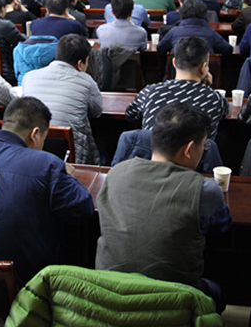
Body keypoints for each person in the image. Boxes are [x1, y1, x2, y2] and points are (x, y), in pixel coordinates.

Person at [96, 101, 232, 312]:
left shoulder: (115, 173)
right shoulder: (204, 189)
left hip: (109, 292)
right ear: (189, 149)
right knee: (217, 292)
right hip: (172, 301)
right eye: (203, 145)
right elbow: (222, 227)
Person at [0, 96, 93, 284]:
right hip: (20, 285)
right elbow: (84, 209)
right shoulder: (46, 164)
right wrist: (69, 177)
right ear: (35, 134)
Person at [127, 37, 229, 141]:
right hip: (196, 151)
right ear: (203, 68)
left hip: (152, 150)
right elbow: (222, 114)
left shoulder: (149, 91)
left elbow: (131, 115)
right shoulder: (216, 99)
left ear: (174, 62)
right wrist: (206, 89)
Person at [22, 34, 103, 164]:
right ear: (80, 63)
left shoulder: (29, 77)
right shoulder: (86, 81)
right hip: (71, 156)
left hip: (32, 150)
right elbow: (97, 112)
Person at [157, 0, 232, 60]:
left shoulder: (174, 32)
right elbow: (227, 49)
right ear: (204, 14)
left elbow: (160, 48)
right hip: (205, 73)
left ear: (182, 13)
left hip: (177, 72)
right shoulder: (211, 32)